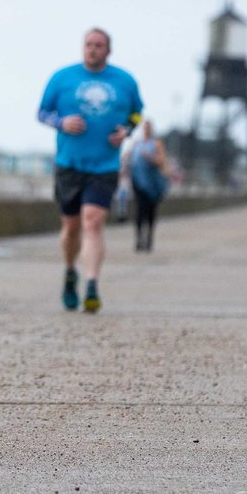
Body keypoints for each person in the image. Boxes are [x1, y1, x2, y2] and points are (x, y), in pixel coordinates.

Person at [38, 28, 143, 312]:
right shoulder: (62, 78)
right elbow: (42, 112)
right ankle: (70, 271)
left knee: (93, 221)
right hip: (69, 164)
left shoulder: (125, 81)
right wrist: (62, 123)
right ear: (83, 47)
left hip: (105, 164)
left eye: (99, 45)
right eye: (89, 44)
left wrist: (127, 130)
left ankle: (92, 283)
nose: (93, 49)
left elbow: (137, 112)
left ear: (108, 50)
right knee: (71, 227)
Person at [125, 119, 168, 252]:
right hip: (138, 182)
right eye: (145, 128)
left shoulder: (156, 143)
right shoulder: (137, 144)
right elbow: (127, 158)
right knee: (139, 210)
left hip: (152, 183)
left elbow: (162, 161)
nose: (146, 130)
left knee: (150, 212)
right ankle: (139, 239)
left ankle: (149, 239)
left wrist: (150, 157)